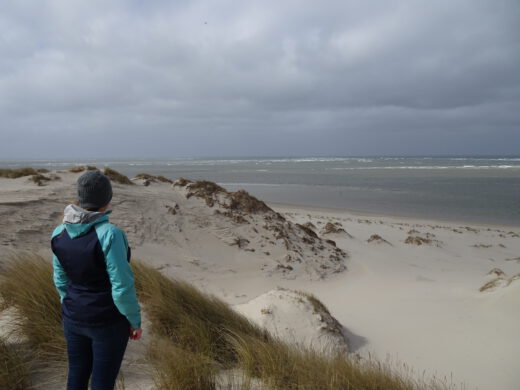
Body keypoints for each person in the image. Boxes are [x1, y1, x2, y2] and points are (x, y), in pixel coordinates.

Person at [51, 170, 142, 390]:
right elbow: (121, 286)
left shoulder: (59, 232)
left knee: (76, 377)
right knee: (102, 383)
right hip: (106, 321)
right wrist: (134, 320)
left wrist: (72, 303)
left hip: (73, 317)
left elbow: (60, 279)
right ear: (107, 198)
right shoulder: (110, 233)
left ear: (81, 197)